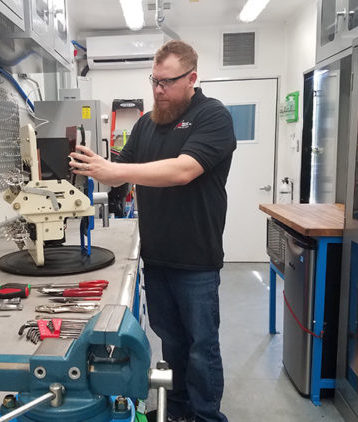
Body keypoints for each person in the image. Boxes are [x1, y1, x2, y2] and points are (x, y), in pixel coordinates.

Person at [69, 40, 236, 422]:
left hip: (196, 259)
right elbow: (120, 174)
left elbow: (182, 170)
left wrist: (119, 172)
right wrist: (93, 164)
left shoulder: (213, 116)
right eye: (154, 81)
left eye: (167, 82)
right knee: (172, 345)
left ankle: (207, 416)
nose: (158, 91)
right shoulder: (147, 123)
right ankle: (177, 412)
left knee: (201, 348)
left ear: (192, 78)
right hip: (157, 257)